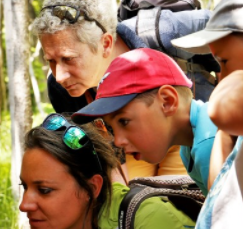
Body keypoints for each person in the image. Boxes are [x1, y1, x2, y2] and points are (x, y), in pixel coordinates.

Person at [32, 0, 219, 179]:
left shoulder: (164, 30)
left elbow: (233, 28)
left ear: (105, 44)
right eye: (51, 61)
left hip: (186, 129)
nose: (60, 76)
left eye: (68, 59)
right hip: (127, 142)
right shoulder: (60, 89)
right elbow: (101, 149)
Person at [19, 113, 196, 229]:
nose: (24, 205)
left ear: (92, 187)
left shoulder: (152, 219)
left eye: (44, 190)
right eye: (24, 186)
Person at [169, 1, 243, 229]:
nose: (219, 77)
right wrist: (226, 136)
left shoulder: (229, 108)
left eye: (223, 62)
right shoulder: (232, 129)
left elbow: (220, 108)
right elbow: (217, 189)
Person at [72, 48, 217, 196]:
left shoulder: (209, 144)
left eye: (124, 121)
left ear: (167, 101)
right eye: (111, 128)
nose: (117, 141)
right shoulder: (190, 147)